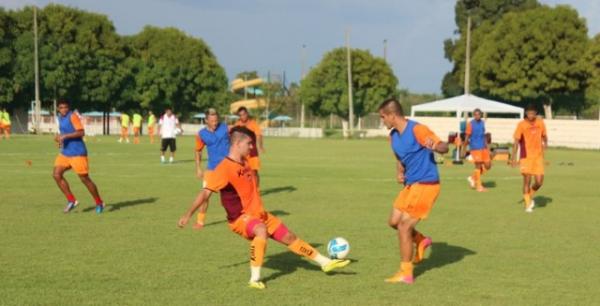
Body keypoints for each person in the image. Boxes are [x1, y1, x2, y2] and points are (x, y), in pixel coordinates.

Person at [177, 126, 350, 289]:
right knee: (260, 231)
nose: (252, 147)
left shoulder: (245, 163)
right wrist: (188, 214)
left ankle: (325, 263)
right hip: (240, 218)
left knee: (289, 237)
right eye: (249, 143)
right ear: (237, 144)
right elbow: (205, 193)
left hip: (260, 214)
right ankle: (254, 279)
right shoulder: (223, 169)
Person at [378, 98, 448, 284]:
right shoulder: (393, 136)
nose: (382, 121)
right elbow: (400, 158)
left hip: (427, 184)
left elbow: (444, 146)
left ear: (392, 115)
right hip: (411, 185)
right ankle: (421, 240)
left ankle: (406, 273)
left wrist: (435, 146)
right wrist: (400, 172)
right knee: (393, 221)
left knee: (404, 227)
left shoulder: (418, 129)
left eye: (383, 117)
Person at [52, 100, 105, 213]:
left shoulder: (73, 116)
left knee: (84, 179)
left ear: (69, 108)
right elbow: (61, 134)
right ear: (58, 109)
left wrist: (65, 136)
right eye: (61, 108)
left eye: (65, 107)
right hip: (65, 153)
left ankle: (99, 202)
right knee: (56, 174)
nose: (63, 109)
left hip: (78, 153)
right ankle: (72, 201)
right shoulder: (59, 118)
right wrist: (58, 139)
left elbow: (81, 132)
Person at [193, 108, 230, 229]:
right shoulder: (201, 134)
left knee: (233, 195)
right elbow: (198, 151)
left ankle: (237, 216)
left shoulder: (226, 128)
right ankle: (200, 221)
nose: (215, 123)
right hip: (212, 169)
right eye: (212, 121)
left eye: (216, 120)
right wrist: (198, 167)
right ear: (206, 120)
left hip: (230, 167)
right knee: (205, 195)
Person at [511, 104, 547, 213]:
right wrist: (513, 157)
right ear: (526, 113)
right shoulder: (521, 125)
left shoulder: (540, 122)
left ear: (536, 113)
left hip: (538, 156)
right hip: (525, 157)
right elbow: (516, 141)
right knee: (527, 180)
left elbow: (544, 135)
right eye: (528, 113)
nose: (531, 115)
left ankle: (529, 195)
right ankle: (527, 204)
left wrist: (545, 143)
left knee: (539, 182)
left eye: (533, 113)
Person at [234, 107, 264, 184]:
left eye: (244, 114)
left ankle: (256, 191)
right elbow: (234, 137)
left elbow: (259, 135)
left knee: (254, 172)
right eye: (240, 115)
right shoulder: (237, 124)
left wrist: (260, 146)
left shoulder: (253, 123)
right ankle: (244, 188)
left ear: (247, 114)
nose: (242, 117)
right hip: (241, 153)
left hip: (252, 152)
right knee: (240, 172)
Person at [465, 109, 492, 192]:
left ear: (481, 115)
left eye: (479, 114)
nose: (477, 116)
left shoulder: (482, 123)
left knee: (488, 165)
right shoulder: (470, 124)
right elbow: (467, 136)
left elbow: (484, 135)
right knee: (478, 165)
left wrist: (487, 147)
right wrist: (463, 148)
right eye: (475, 114)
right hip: (475, 147)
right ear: (473, 115)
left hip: (483, 147)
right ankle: (479, 186)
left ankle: (473, 178)